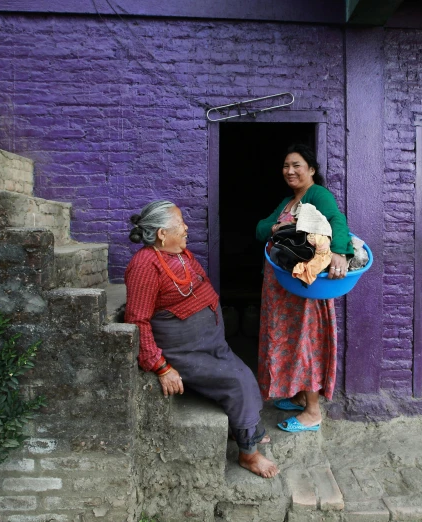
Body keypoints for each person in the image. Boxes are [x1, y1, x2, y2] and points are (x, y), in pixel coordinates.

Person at [125, 200, 279, 478]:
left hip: (210, 345)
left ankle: (245, 430)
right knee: (238, 383)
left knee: (245, 374)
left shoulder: (182, 254)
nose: (186, 228)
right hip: (185, 352)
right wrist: (161, 366)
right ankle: (249, 455)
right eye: (180, 224)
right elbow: (137, 320)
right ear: (162, 233)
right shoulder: (145, 265)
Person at [255, 144, 353, 433]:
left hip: (305, 286)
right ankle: (299, 396)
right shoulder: (287, 202)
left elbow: (337, 220)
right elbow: (260, 229)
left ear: (311, 169)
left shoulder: (317, 195)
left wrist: (337, 252)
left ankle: (312, 412)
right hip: (281, 288)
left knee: (306, 342)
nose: (290, 171)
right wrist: (274, 227)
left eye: (297, 165)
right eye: (286, 166)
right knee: (289, 341)